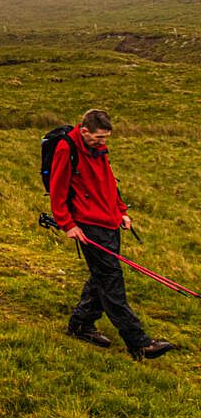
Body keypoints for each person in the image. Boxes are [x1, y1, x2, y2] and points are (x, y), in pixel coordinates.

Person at [49, 109, 174, 360]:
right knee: (111, 283)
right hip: (88, 225)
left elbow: (108, 183)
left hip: (110, 222)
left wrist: (121, 211)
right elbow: (57, 190)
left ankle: (80, 325)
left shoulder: (99, 149)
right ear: (84, 131)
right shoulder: (66, 149)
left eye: (106, 138)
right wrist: (67, 224)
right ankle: (139, 343)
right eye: (98, 138)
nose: (103, 142)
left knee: (102, 278)